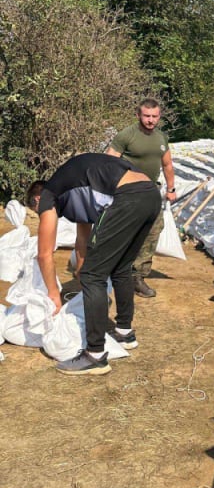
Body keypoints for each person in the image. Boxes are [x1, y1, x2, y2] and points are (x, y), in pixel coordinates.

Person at [26, 153, 162, 375]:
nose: (43, 217)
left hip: (128, 196)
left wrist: (53, 294)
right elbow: (83, 239)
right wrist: (81, 270)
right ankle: (124, 333)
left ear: (38, 201)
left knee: (93, 276)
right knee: (120, 267)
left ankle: (95, 355)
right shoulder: (77, 190)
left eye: (38, 213)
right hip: (150, 195)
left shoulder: (50, 193)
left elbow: (44, 253)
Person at [106, 98, 177, 298]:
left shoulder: (161, 138)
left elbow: (167, 165)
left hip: (151, 192)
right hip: (128, 191)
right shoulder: (126, 135)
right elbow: (109, 162)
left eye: (154, 116)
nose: (150, 120)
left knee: (153, 231)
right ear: (138, 115)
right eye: (146, 116)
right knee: (123, 232)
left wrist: (171, 188)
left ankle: (138, 276)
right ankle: (114, 271)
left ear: (159, 117)